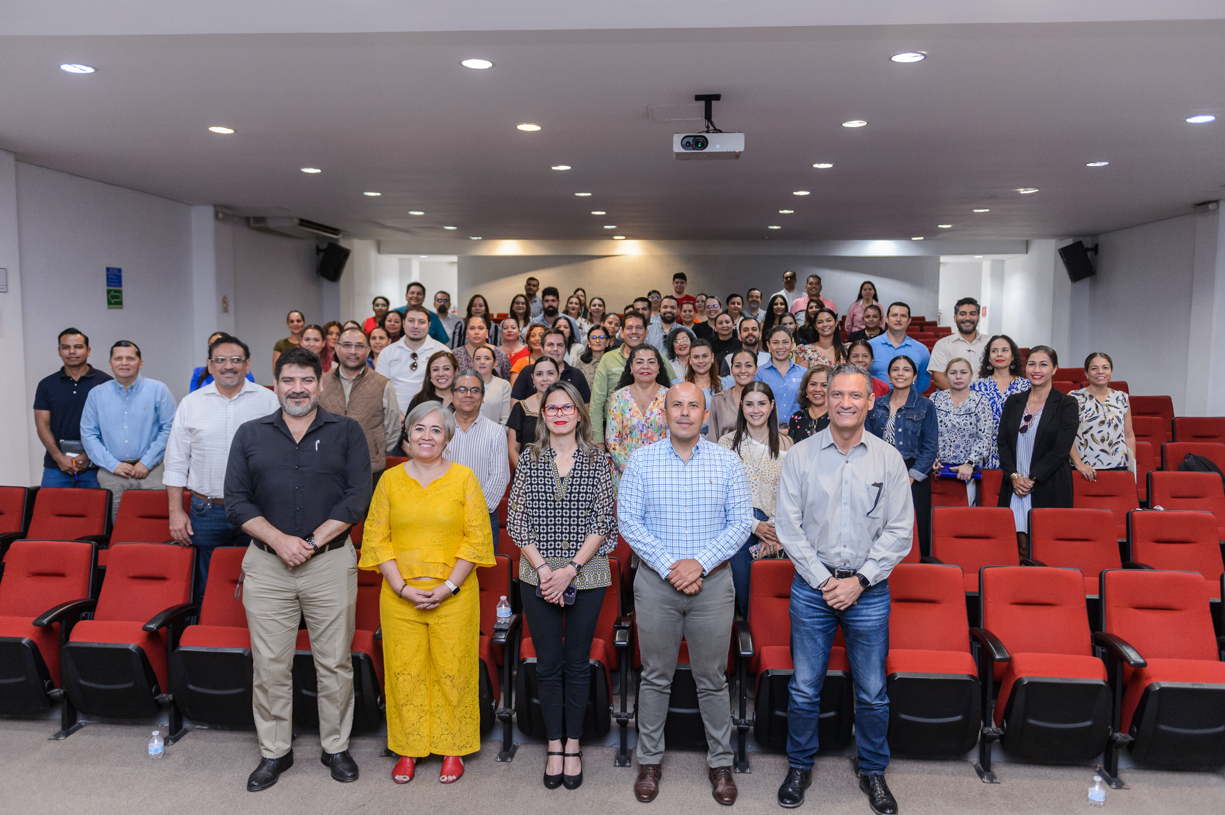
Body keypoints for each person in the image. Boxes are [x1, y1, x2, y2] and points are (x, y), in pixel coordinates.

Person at [224, 346, 371, 791]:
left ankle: (336, 747)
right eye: (288, 380)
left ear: (320, 384)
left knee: (334, 662)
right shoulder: (250, 434)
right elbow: (236, 502)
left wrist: (308, 543)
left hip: (329, 562)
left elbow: (357, 498)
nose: (297, 389)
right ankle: (275, 751)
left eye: (306, 380)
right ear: (275, 385)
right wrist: (280, 541)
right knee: (270, 665)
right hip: (268, 565)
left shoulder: (347, 431)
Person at [774, 362, 911, 815]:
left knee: (872, 691)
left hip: (868, 591)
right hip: (813, 589)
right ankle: (799, 766)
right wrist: (825, 580)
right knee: (804, 687)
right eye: (837, 394)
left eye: (855, 395)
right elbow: (788, 527)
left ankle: (873, 770)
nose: (845, 403)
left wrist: (860, 581)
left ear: (870, 402)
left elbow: (900, 531)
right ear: (825, 399)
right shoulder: (800, 456)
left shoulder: (888, 459)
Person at [619, 382, 753, 806]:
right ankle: (649, 761)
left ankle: (721, 763)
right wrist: (671, 567)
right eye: (676, 404)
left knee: (712, 678)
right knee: (655, 675)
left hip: (712, 584)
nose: (684, 412)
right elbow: (629, 521)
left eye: (693, 405)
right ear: (665, 413)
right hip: (656, 584)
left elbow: (741, 522)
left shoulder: (727, 461)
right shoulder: (641, 460)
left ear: (705, 415)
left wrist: (699, 564)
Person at [361, 402, 493, 785]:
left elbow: (476, 539)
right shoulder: (390, 480)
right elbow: (376, 538)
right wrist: (401, 587)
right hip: (399, 595)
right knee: (405, 672)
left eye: (436, 430)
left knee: (454, 671)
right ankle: (408, 748)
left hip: (455, 595)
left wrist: (449, 586)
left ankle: (454, 747)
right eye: (420, 428)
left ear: (447, 438)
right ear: (408, 435)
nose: (427, 437)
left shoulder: (464, 478)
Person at [507, 382, 617, 790]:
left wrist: (570, 569)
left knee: (577, 662)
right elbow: (517, 520)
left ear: (579, 413)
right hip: (537, 574)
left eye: (567, 407)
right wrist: (544, 570)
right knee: (548, 664)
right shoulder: (530, 458)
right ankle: (554, 744)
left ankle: (574, 744)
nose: (559, 414)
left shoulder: (598, 460)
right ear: (543, 415)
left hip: (586, 574)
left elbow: (603, 520)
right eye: (552, 408)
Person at [165, 334, 279, 603]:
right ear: (209, 365)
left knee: (261, 582)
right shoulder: (191, 403)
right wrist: (175, 512)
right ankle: (207, 628)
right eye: (220, 360)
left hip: (258, 508)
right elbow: (176, 462)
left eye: (236, 360)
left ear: (247, 365)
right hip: (207, 510)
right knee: (207, 586)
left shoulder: (269, 402)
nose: (229, 366)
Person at [718, 382, 792, 618]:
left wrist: (774, 528)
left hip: (776, 529)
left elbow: (790, 491)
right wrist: (753, 524)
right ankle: (744, 638)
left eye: (762, 404)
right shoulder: (726, 444)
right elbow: (721, 493)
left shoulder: (787, 444)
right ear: (741, 406)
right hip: (738, 526)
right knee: (743, 598)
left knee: (769, 599)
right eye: (749, 404)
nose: (756, 410)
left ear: (772, 406)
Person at [998, 346, 1079, 558]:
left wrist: (1031, 479)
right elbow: (1003, 442)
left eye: (1043, 365)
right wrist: (1014, 477)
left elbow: (1061, 449)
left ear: (1054, 369)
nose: (1037, 370)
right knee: (1017, 547)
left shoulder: (1067, 404)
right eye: (1032, 364)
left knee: (1047, 550)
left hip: (1048, 483)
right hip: (1014, 485)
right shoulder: (1013, 401)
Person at [80, 341, 176, 515]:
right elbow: (88, 434)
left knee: (154, 525)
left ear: (140, 363)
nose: (124, 363)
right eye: (118, 358)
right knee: (116, 526)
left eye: (130, 358)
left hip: (152, 472)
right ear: (110, 364)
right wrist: (113, 465)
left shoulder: (158, 390)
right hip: (111, 474)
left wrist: (146, 462)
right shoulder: (96, 394)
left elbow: (170, 429)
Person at [866, 355, 938, 555]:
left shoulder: (925, 405)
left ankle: (917, 565)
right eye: (895, 369)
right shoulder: (874, 404)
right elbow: (867, 441)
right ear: (889, 376)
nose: (900, 373)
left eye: (906, 370)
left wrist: (910, 477)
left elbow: (930, 447)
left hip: (914, 473)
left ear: (914, 377)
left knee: (916, 526)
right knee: (878, 524)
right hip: (879, 472)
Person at [319, 327, 402, 483]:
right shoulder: (321, 383)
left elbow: (393, 428)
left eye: (359, 346)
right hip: (327, 467)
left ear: (368, 350)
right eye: (347, 345)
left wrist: (377, 450)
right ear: (337, 348)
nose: (352, 351)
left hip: (370, 468)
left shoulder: (383, 384)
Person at [34, 328, 112, 489]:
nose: (72, 352)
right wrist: (58, 457)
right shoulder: (46, 385)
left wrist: (90, 455)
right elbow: (42, 425)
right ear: (59, 351)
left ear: (88, 350)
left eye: (78, 347)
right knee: (50, 505)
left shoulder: (106, 383)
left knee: (98, 506)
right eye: (65, 347)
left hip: (98, 466)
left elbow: (113, 425)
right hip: (56, 466)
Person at [446, 370, 511, 552]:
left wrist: (472, 510)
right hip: (442, 515)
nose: (468, 394)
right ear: (452, 395)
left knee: (482, 569)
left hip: (483, 518)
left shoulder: (496, 432)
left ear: (482, 397)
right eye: (462, 389)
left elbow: (499, 478)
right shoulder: (440, 429)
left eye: (475, 390)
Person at [590, 312, 675, 447]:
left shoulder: (660, 359)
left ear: (646, 332)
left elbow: (675, 393)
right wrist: (598, 441)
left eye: (639, 327)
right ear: (622, 332)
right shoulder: (608, 359)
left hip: (658, 434)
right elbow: (597, 403)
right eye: (629, 328)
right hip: (617, 434)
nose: (634, 332)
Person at [930, 358, 995, 506]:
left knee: (963, 514)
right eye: (953, 373)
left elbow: (984, 438)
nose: (958, 377)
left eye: (963, 372)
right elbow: (927, 431)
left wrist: (969, 464)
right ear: (946, 377)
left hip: (967, 472)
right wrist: (931, 458)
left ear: (971, 376)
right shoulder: (935, 398)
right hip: (938, 469)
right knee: (936, 515)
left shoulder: (981, 402)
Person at [606, 345, 672, 488]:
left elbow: (673, 437)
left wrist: (655, 473)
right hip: (625, 476)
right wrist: (631, 471)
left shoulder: (670, 396)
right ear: (631, 366)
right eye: (639, 362)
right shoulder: (618, 397)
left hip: (661, 475)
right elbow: (612, 440)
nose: (645, 366)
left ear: (659, 367)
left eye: (651, 362)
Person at [1069, 352, 1136, 481]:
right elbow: (1066, 436)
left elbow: (1129, 435)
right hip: (1084, 469)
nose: (1100, 372)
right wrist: (1079, 464)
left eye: (1105, 367)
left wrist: (1131, 463)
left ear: (1111, 371)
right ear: (1086, 373)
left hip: (1119, 466)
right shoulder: (1074, 397)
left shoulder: (1122, 398)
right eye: (1094, 368)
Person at [970, 334, 1030, 470]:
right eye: (994, 351)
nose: (999, 354)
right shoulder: (977, 387)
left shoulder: (1026, 386)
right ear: (988, 357)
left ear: (1013, 356)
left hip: (1017, 450)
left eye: (1004, 350)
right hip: (986, 452)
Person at [376, 305, 448, 414]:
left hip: (433, 416)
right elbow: (380, 389)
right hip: (394, 416)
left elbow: (449, 389)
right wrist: (395, 414)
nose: (416, 326)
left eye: (421, 322)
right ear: (403, 323)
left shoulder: (442, 351)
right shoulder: (387, 353)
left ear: (429, 325)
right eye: (411, 321)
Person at [508, 356, 561, 466]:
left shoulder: (567, 408)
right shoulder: (520, 408)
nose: (545, 378)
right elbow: (513, 449)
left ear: (558, 376)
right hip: (526, 472)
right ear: (533, 378)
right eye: (539, 374)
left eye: (550, 373)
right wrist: (526, 473)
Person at [511, 329, 591, 402]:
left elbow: (585, 408)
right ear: (542, 349)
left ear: (566, 350)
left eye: (559, 345)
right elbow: (515, 405)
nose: (555, 349)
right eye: (550, 345)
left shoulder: (576, 374)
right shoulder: (528, 371)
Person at [869, 302, 932, 394]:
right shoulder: (870, 346)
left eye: (903, 316)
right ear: (886, 319)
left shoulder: (922, 350)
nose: (898, 319)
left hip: (910, 401)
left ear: (909, 320)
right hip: (876, 400)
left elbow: (924, 382)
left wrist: (906, 397)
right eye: (894, 315)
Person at [928, 298, 990, 390]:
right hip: (952, 397)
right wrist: (964, 396)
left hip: (986, 397)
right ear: (955, 318)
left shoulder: (991, 343)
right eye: (962, 314)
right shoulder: (942, 344)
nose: (967, 318)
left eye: (972, 314)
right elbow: (939, 379)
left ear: (978, 317)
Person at [756, 326, 805, 426]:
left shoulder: (804, 373)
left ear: (792, 344)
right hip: (768, 429)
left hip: (798, 429)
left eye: (785, 342)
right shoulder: (759, 373)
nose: (780, 347)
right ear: (768, 345)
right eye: (775, 343)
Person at [708, 349, 758, 442]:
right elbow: (712, 439)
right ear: (731, 369)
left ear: (756, 369)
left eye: (748, 365)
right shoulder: (719, 400)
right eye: (738, 366)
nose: (743, 370)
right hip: (723, 451)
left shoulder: (765, 400)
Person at [191, 331, 255, 392]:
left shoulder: (242, 371)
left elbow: (251, 393)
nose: (228, 367)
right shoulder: (198, 372)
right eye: (211, 345)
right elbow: (193, 395)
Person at [453, 315, 511, 381]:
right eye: (472, 328)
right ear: (466, 333)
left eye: (480, 328)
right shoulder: (455, 355)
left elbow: (508, 380)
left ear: (486, 333)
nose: (476, 332)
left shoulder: (499, 354)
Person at [788, 365, 831, 443]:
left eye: (824, 385)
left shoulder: (837, 417)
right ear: (805, 388)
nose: (818, 389)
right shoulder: (796, 417)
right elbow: (791, 447)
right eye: (813, 384)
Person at [473, 346, 512, 426]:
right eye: (478, 358)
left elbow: (506, 419)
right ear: (472, 363)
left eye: (487, 358)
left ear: (495, 363)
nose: (482, 362)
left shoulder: (504, 385)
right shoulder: (464, 384)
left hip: (495, 432)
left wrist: (496, 433)